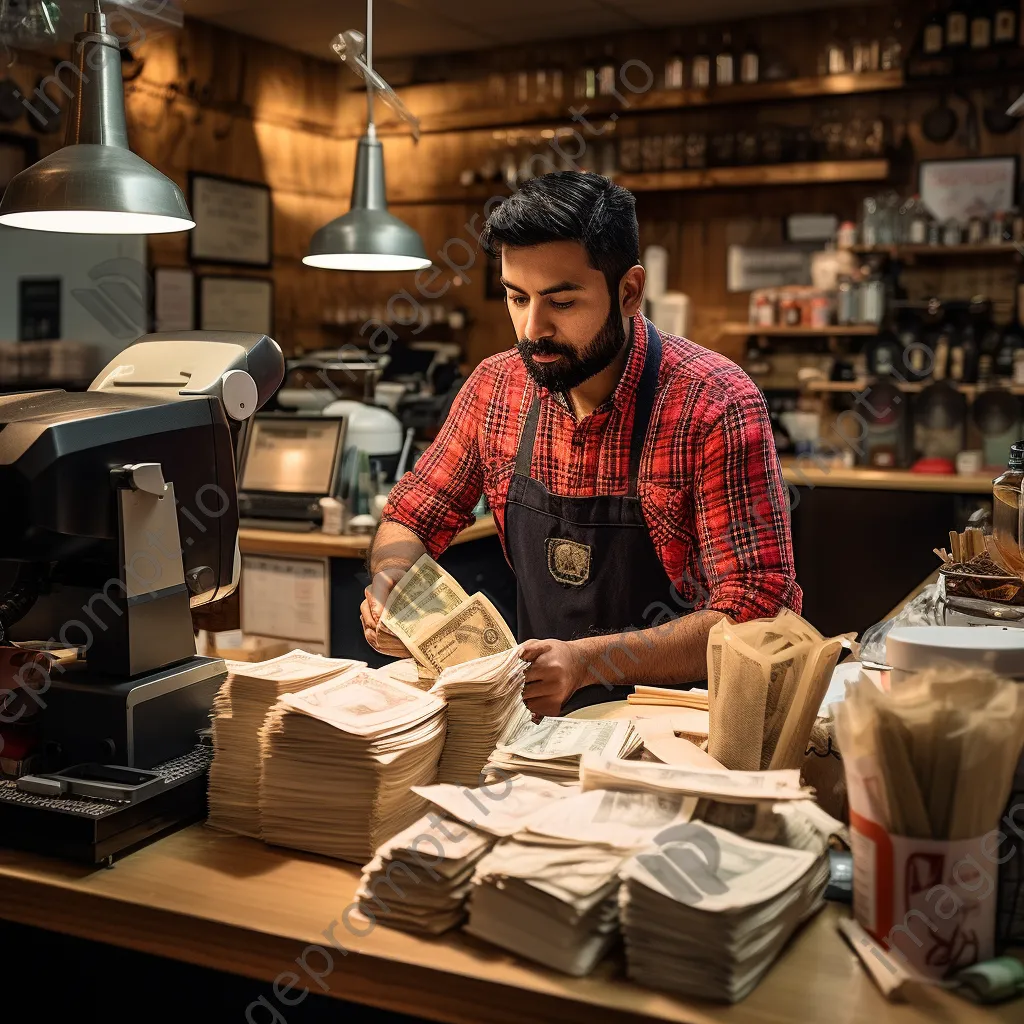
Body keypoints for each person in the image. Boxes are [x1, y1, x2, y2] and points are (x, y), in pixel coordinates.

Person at [361, 171, 800, 717]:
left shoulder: (714, 406)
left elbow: (758, 613)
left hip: (679, 725)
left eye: (561, 303)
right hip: (537, 722)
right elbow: (412, 514)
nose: (531, 328)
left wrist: (590, 662)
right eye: (517, 298)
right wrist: (391, 579)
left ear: (629, 292)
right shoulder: (498, 389)